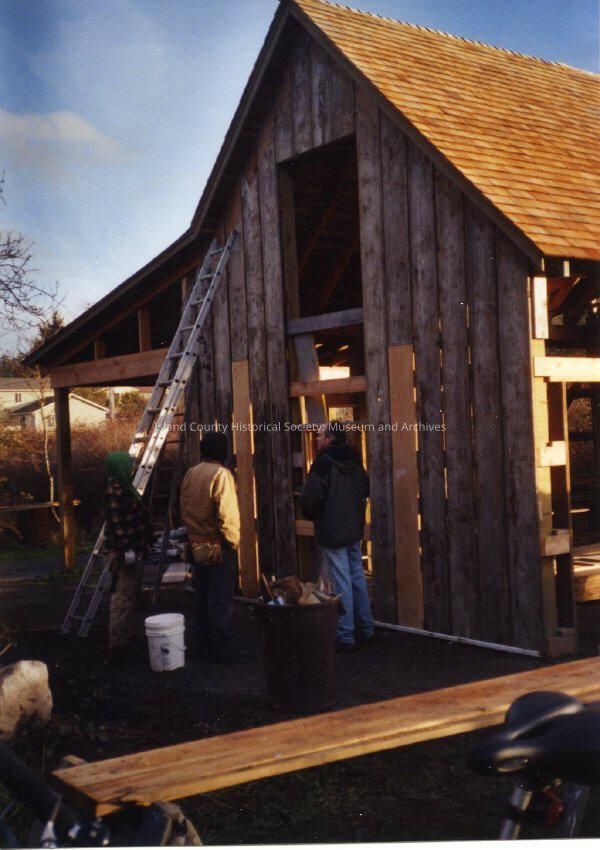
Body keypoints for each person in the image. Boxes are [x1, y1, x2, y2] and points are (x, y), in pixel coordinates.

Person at [300, 422, 374, 651]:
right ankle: (367, 627)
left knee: (341, 581)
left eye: (320, 435)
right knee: (357, 577)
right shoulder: (355, 460)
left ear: (329, 438)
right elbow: (365, 488)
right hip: (353, 529)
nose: (316, 439)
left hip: (333, 530)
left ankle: (346, 634)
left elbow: (310, 498)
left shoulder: (323, 463)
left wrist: (314, 515)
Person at [179, 432, 250, 663]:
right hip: (218, 546)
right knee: (220, 599)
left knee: (201, 596)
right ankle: (222, 649)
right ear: (222, 450)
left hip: (196, 544)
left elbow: (184, 506)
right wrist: (233, 542)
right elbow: (226, 515)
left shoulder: (191, 472)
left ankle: (202, 645)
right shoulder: (221, 474)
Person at [103, 451, 153, 651]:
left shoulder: (126, 487)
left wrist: (146, 542)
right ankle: (118, 644)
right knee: (122, 599)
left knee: (130, 597)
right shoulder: (114, 492)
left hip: (133, 549)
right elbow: (117, 524)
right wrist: (127, 548)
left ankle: (126, 635)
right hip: (122, 554)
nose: (132, 468)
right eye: (128, 464)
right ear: (119, 467)